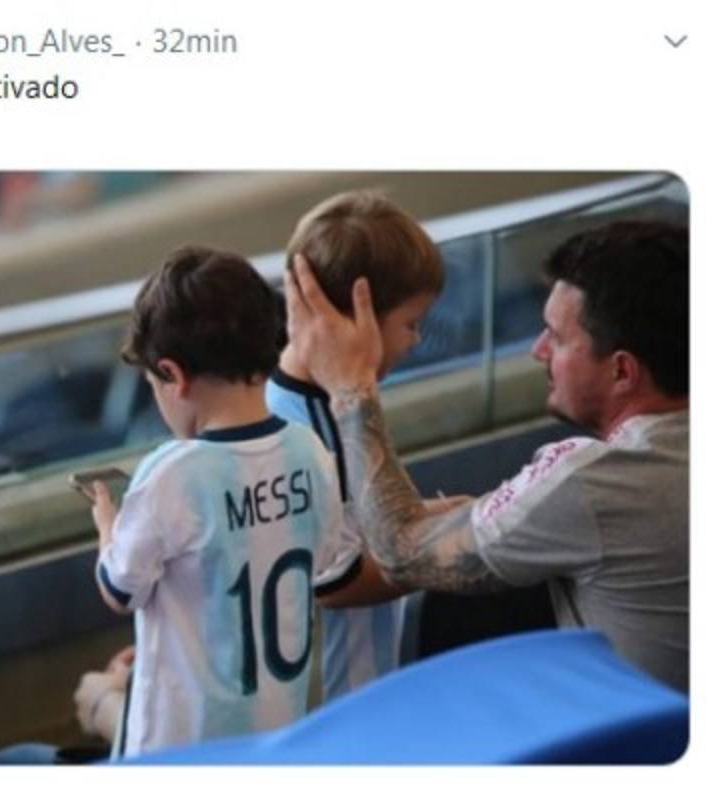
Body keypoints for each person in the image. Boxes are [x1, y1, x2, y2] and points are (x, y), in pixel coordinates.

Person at [282, 220, 688, 692]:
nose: (537, 350)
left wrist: (351, 386)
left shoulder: (593, 483)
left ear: (622, 371)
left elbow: (400, 552)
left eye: (556, 338)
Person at [90, 245, 344, 757]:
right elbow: (318, 560)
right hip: (273, 742)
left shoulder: (171, 473)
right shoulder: (310, 451)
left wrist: (107, 529)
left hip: (180, 754)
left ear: (173, 375)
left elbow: (120, 590)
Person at [265, 191, 462, 702]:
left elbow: (354, 524)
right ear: (358, 315)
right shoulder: (317, 430)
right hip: (343, 698)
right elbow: (339, 583)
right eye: (411, 324)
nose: (416, 340)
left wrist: (440, 514)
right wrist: (458, 541)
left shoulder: (292, 400)